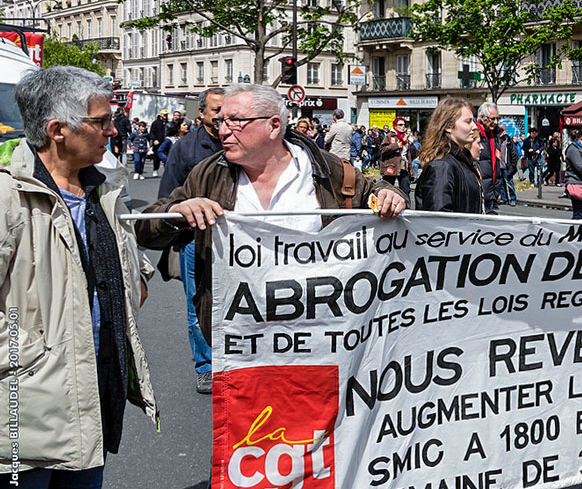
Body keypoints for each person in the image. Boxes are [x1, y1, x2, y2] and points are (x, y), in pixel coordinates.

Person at [0, 66, 157, 489]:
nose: (114, 128)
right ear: (58, 131)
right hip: (25, 409)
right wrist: (31, 356)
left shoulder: (102, 192)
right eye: (102, 121)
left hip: (91, 397)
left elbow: (130, 273)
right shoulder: (9, 196)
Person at [136, 84, 408, 342]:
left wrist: (389, 194)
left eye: (236, 121)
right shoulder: (208, 174)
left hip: (321, 336)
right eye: (221, 122)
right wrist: (176, 212)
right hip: (239, 343)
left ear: (273, 125)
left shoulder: (327, 170)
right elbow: (146, 233)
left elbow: (372, 188)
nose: (223, 132)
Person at [157, 87, 225, 393]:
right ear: (201, 113)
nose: (223, 116)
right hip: (194, 242)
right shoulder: (184, 148)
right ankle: (206, 366)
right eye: (216, 110)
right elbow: (164, 202)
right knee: (197, 305)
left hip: (236, 243)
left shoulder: (240, 143)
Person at [414, 98, 482, 213]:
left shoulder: (463, 161)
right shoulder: (442, 167)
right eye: (468, 121)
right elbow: (438, 219)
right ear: (449, 126)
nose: (474, 126)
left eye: (473, 121)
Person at [475, 102, 505, 213]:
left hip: (492, 191)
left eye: (497, 118)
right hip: (478, 191)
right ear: (482, 117)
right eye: (492, 119)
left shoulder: (496, 134)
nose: (496, 122)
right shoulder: (473, 133)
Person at [380, 116, 414, 196]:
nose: (403, 127)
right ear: (395, 126)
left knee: (405, 190)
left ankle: (406, 207)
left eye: (404, 125)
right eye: (401, 124)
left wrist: (411, 170)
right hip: (391, 167)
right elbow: (382, 150)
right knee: (388, 190)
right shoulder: (389, 136)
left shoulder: (405, 138)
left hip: (403, 167)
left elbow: (408, 155)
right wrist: (395, 146)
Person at [497, 125, 519, 207]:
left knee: (509, 183)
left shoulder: (509, 142)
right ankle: (504, 198)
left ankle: (513, 199)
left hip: (507, 167)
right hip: (500, 166)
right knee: (502, 184)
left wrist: (512, 167)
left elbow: (514, 155)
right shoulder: (498, 141)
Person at [149, 109, 168, 177]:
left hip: (166, 142)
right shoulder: (156, 123)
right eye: (164, 114)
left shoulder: (168, 123)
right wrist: (154, 139)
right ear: (161, 115)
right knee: (156, 157)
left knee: (166, 157)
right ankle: (155, 170)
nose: (165, 116)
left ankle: (167, 171)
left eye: (166, 114)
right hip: (157, 143)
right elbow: (151, 133)